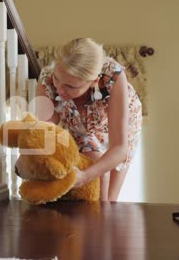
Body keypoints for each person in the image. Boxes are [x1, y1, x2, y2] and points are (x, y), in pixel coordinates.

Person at [36, 38, 142, 201]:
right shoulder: (47, 80)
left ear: (94, 81)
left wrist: (84, 176)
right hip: (76, 122)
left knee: (109, 199)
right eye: (57, 79)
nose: (59, 89)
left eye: (71, 86)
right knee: (94, 184)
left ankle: (105, 219)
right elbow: (47, 132)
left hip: (116, 122)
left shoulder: (112, 76)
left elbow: (119, 149)